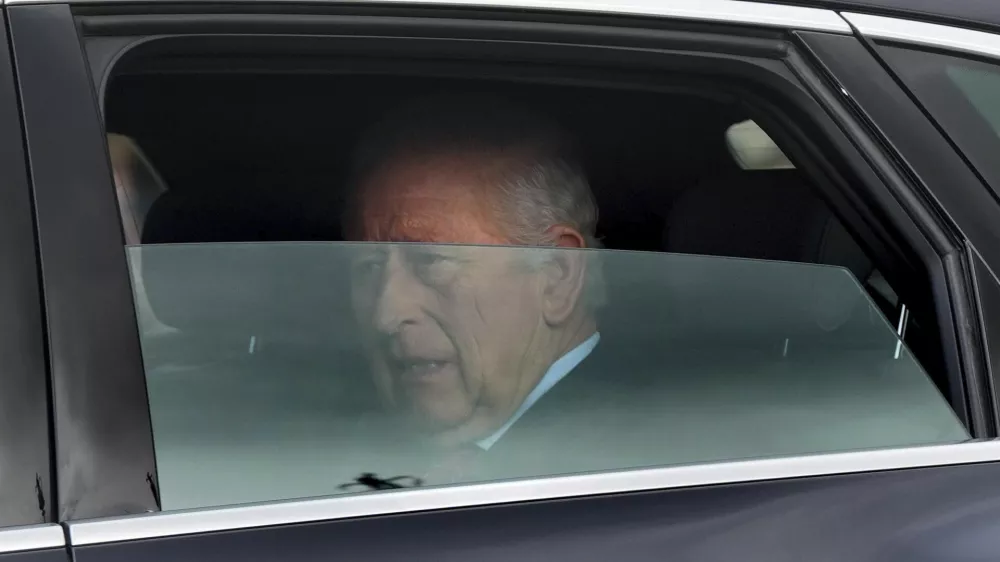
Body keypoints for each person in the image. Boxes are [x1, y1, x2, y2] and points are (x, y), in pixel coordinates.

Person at [343, 95, 618, 480]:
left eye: (430, 260)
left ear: (558, 275)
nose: (386, 314)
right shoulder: (341, 442)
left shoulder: (647, 460)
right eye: (369, 267)